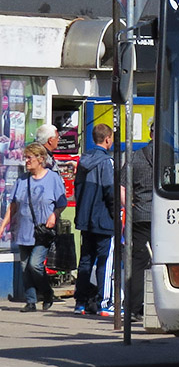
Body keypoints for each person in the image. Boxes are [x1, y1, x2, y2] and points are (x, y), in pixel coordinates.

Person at [0, 143, 68, 312]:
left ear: (40, 159)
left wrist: (54, 215)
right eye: (26, 157)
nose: (26, 161)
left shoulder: (52, 178)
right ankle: (31, 301)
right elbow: (13, 205)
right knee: (24, 267)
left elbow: (62, 202)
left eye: (30, 157)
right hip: (23, 230)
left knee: (35, 264)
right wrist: (2, 226)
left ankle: (47, 292)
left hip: (42, 231)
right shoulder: (22, 179)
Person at [73, 123, 117, 316]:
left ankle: (80, 303)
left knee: (85, 260)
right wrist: (116, 215)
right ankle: (102, 302)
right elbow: (110, 191)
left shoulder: (83, 161)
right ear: (107, 139)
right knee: (104, 261)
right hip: (103, 218)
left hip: (85, 218)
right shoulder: (106, 162)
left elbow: (77, 190)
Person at [126, 122, 154, 321]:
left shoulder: (136, 156)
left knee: (138, 263)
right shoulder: (171, 154)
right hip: (168, 216)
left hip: (140, 215)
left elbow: (121, 188)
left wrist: (131, 207)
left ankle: (135, 307)